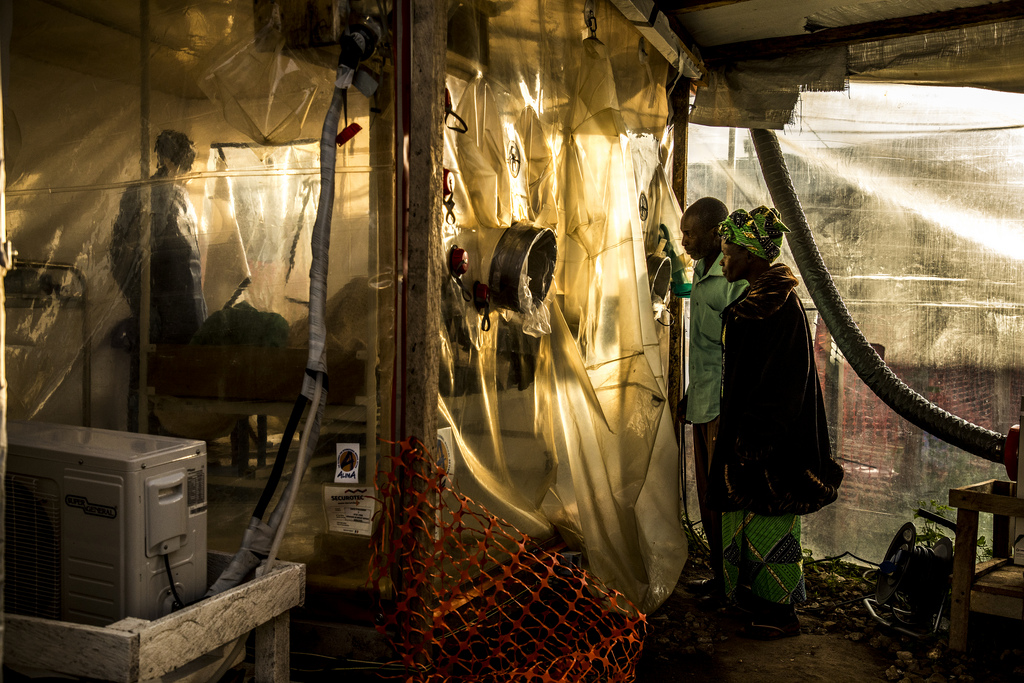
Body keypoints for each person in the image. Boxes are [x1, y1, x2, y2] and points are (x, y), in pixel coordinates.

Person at [709, 205, 843, 639]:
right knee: (749, 519)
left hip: (771, 446)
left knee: (770, 521)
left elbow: (784, 386)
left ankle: (780, 612)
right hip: (754, 436)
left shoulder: (776, 309)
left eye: (728, 253)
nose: (723, 260)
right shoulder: (760, 303)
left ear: (751, 256)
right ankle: (750, 596)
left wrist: (754, 443)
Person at [110, 129, 208, 429]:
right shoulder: (144, 196)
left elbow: (188, 260)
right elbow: (121, 255)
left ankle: (177, 446)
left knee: (179, 388)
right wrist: (143, 305)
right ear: (164, 158)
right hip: (159, 311)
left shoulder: (180, 197)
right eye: (180, 163)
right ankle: (143, 444)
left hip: (186, 309)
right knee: (148, 387)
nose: (184, 172)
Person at [678, 197, 748, 600]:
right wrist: (690, 392)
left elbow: (734, 350)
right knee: (707, 496)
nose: (684, 240)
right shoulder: (701, 273)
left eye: (690, 233)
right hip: (702, 402)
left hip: (725, 406)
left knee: (725, 495)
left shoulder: (733, 278)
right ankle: (720, 577)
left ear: (714, 232)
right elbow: (704, 352)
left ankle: (735, 581)